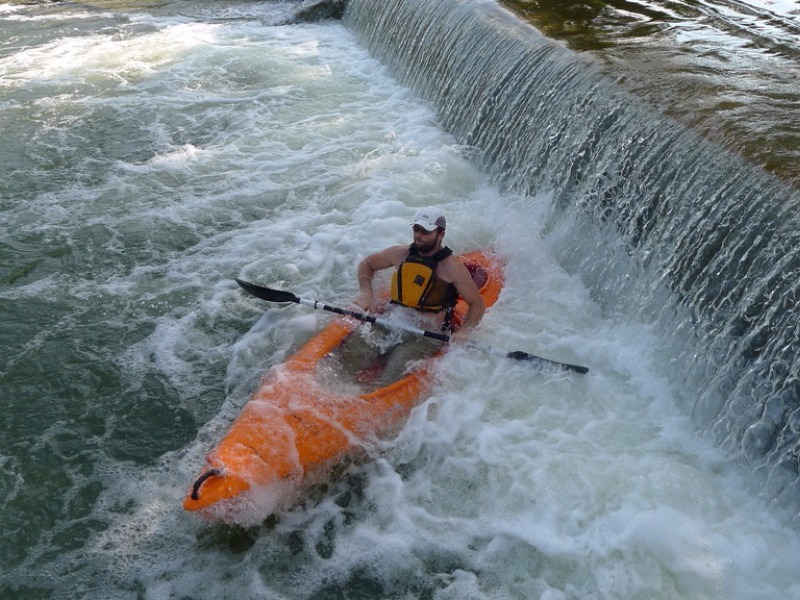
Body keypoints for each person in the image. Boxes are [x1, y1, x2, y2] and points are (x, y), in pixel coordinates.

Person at [352, 208, 485, 344]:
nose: (418, 235)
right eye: (416, 229)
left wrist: (465, 331)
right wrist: (365, 292)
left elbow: (477, 305)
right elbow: (367, 263)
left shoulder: (452, 268)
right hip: (393, 320)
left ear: (441, 234)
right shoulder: (400, 254)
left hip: (426, 337)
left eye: (425, 231)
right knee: (356, 352)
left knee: (396, 364)